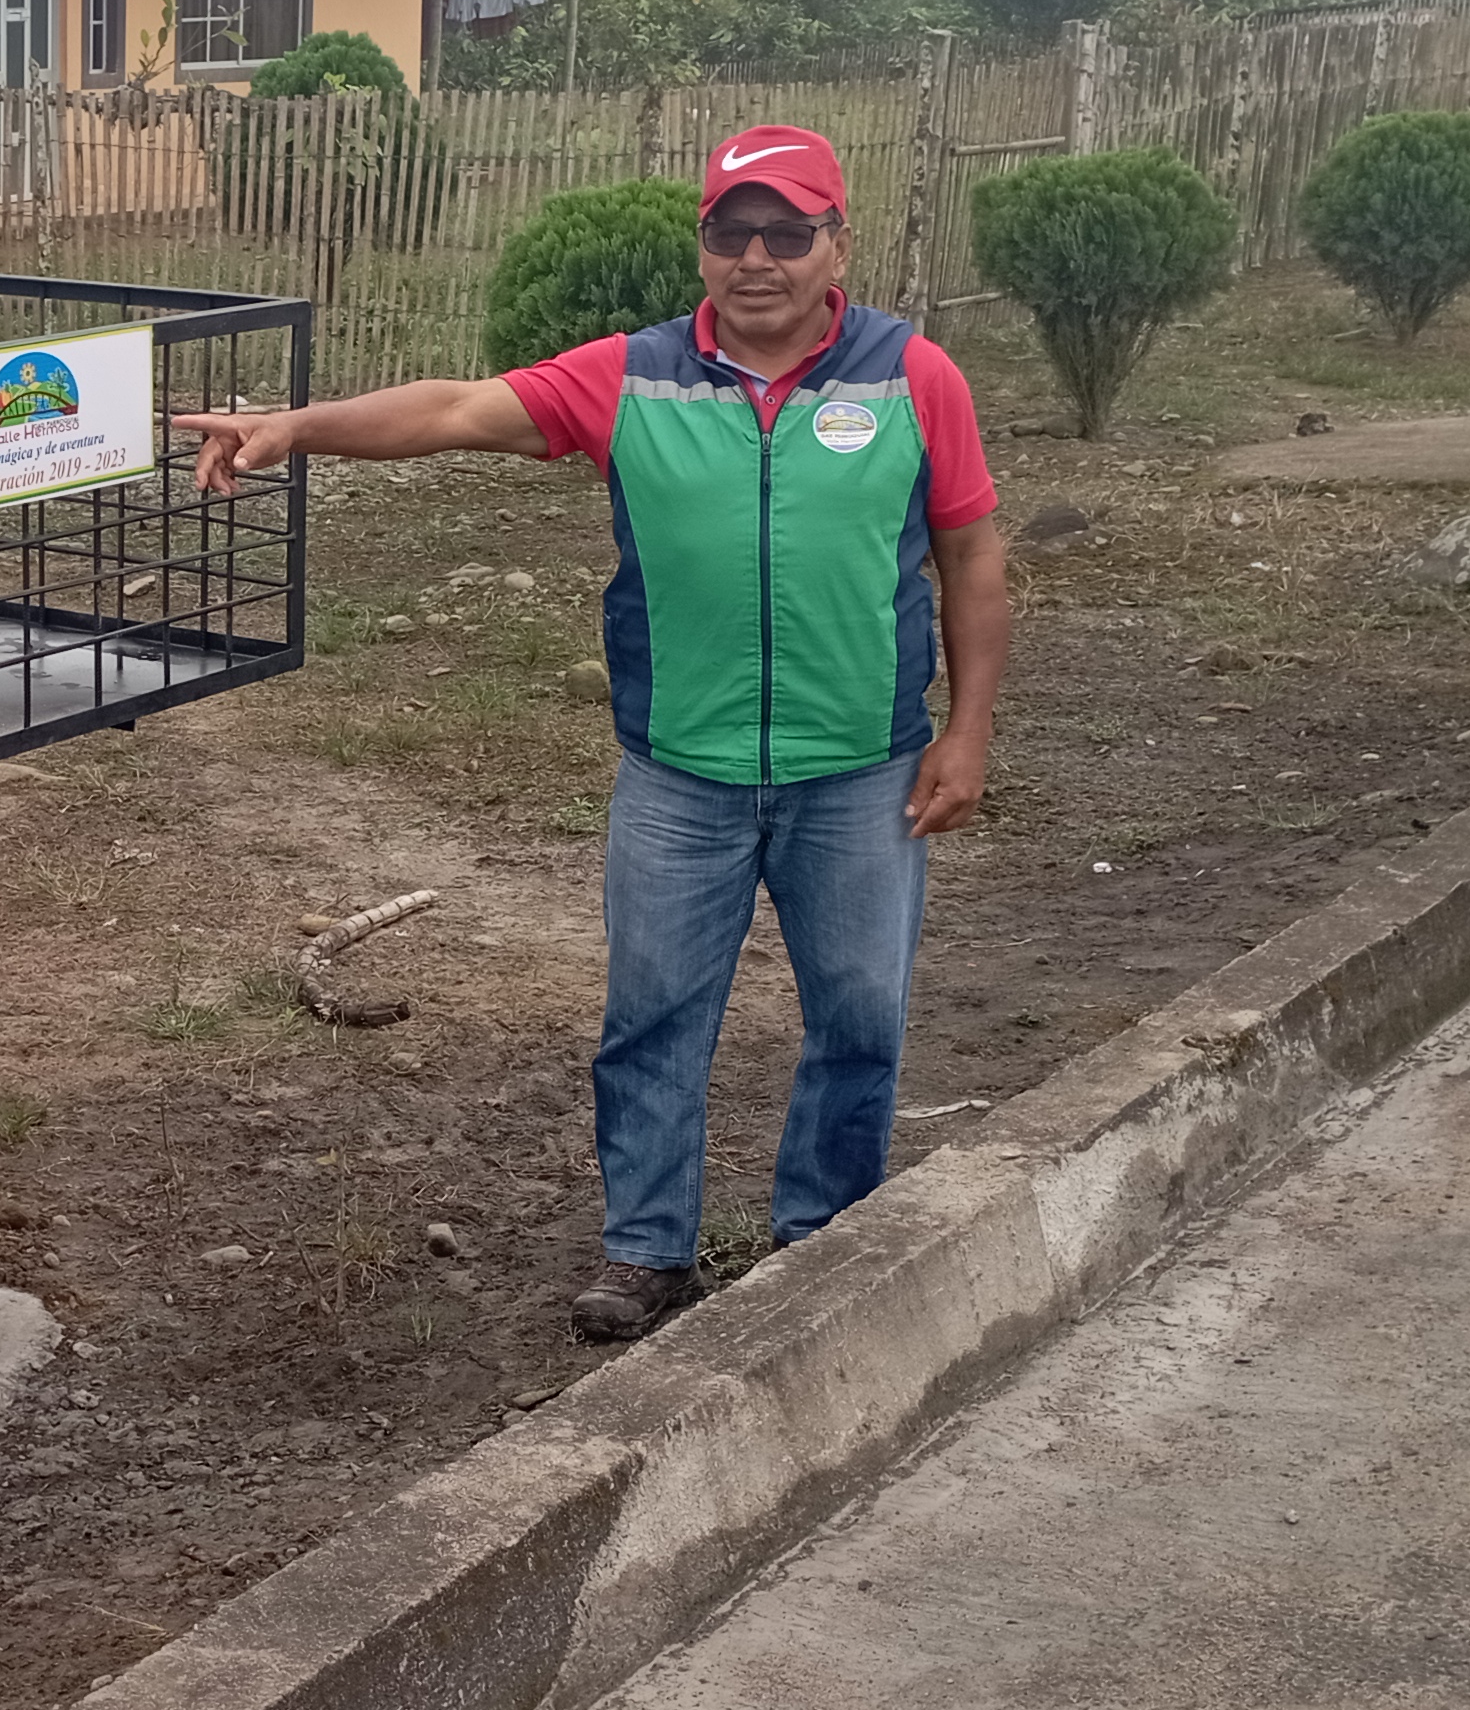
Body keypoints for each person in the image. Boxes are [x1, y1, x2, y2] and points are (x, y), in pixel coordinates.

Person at [172, 124, 1008, 1339]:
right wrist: (298, 426)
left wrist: (967, 732)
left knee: (860, 1017)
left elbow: (972, 555)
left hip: (860, 771)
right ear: (704, 245)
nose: (758, 258)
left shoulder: (913, 377)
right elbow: (457, 408)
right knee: (653, 1015)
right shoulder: (635, 375)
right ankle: (647, 1247)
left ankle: (823, 1237)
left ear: (839, 245)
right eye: (732, 231)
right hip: (680, 773)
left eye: (787, 233)